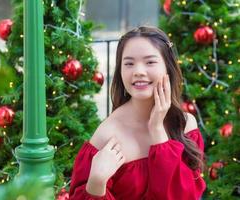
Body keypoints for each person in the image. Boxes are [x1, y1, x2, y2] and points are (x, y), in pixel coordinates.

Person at [69, 26, 206, 200]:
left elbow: (184, 196)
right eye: (129, 63)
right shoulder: (107, 137)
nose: (138, 71)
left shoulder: (185, 124)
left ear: (168, 68)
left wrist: (157, 130)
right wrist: (96, 183)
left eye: (150, 62)